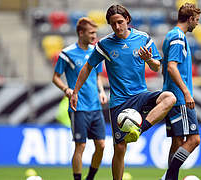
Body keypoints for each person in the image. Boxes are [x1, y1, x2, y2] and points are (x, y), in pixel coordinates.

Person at [70, 5, 176, 180]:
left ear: (127, 19)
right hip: (120, 101)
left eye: (120, 22)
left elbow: (157, 66)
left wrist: (148, 59)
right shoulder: (104, 44)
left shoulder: (143, 38)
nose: (117, 27)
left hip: (141, 95)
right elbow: (87, 67)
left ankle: (138, 129)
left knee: (169, 97)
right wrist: (75, 92)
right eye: (113, 24)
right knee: (119, 148)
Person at [52, 17, 107, 180]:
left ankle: (90, 178)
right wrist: (66, 89)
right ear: (81, 33)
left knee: (101, 145)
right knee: (80, 145)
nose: (94, 36)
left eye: (95, 33)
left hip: (95, 106)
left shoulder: (95, 52)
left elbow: (97, 76)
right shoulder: (67, 53)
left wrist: (102, 91)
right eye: (91, 33)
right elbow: (55, 77)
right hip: (78, 107)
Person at [160, 3, 201, 180]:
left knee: (177, 140)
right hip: (179, 98)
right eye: (196, 20)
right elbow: (171, 67)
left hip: (171, 95)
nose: (197, 24)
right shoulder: (178, 37)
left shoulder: (171, 35)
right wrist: (186, 92)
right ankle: (169, 177)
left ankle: (169, 178)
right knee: (194, 139)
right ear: (190, 19)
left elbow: (165, 67)